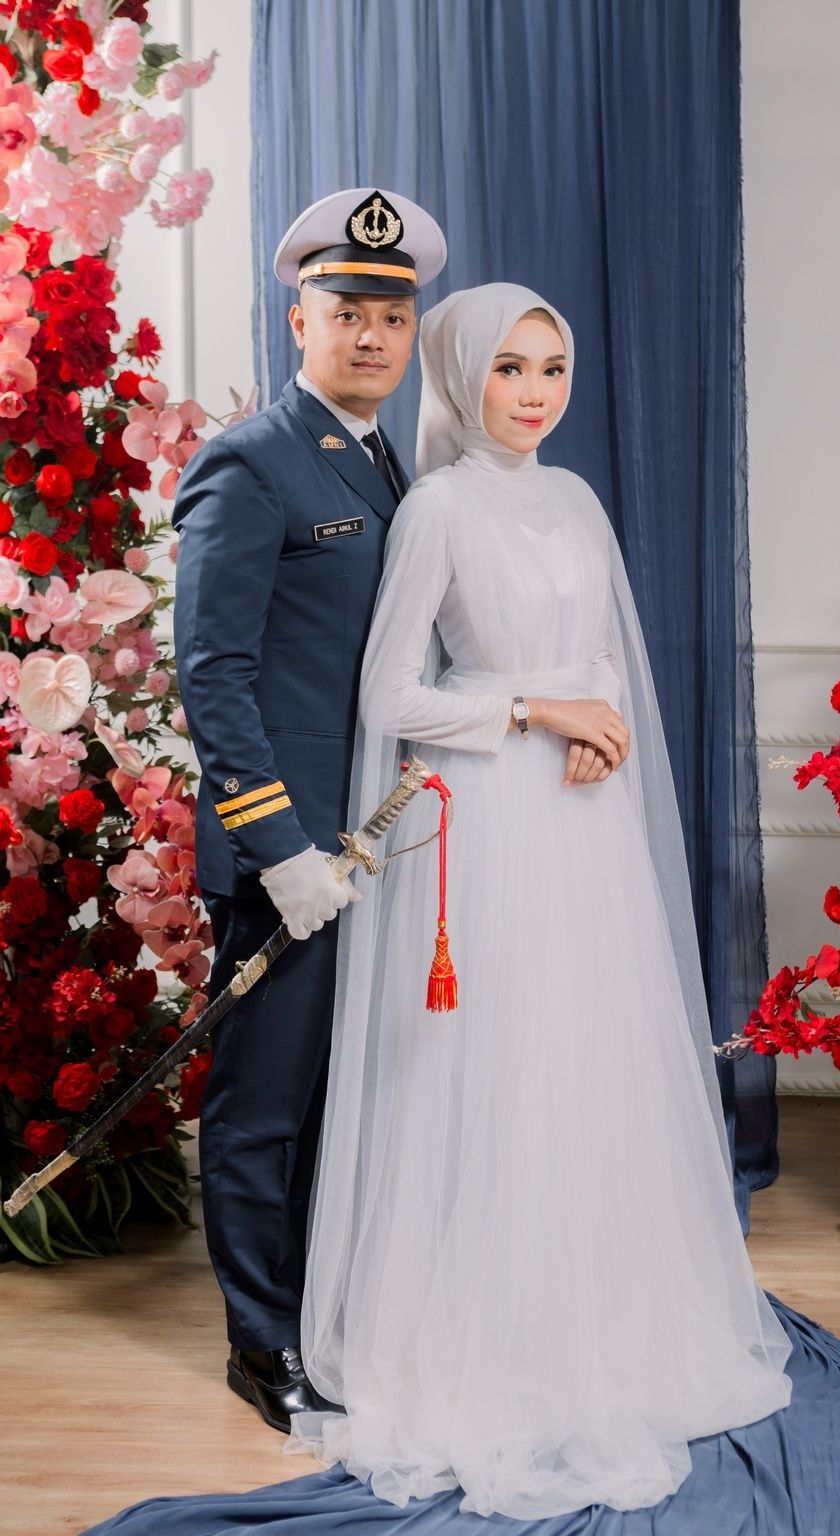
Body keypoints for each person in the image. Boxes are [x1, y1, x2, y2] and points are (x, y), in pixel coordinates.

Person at [286, 283, 794, 1517]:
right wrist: (532, 712)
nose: (533, 393)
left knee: (589, 1055)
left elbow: (604, 646)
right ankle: (495, 1330)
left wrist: (596, 720)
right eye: (508, 369)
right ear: (462, 377)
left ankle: (601, 1310)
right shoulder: (439, 510)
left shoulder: (573, 498)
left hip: (585, 815)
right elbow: (391, 698)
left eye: (552, 368)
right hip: (491, 820)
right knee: (501, 1060)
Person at [171, 187, 446, 1431]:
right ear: (300, 321)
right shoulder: (252, 460)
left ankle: (323, 1312)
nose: (372, 335)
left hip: (370, 847)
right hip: (292, 858)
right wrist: (278, 847)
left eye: (393, 315)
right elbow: (213, 673)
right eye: (347, 311)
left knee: (345, 1099)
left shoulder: (386, 458)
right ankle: (261, 1343)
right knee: (263, 1107)